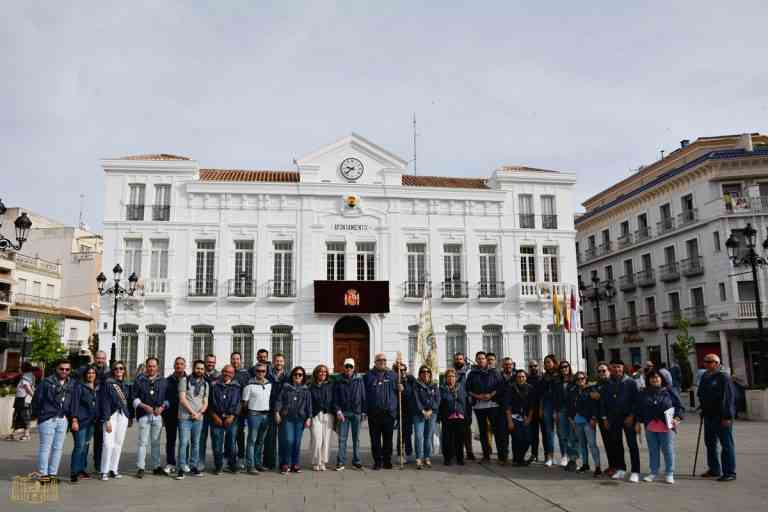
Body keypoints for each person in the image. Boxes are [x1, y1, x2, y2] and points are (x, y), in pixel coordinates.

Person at [30, 359, 76, 481]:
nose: (64, 371)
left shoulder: (71, 383)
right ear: (56, 369)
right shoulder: (47, 382)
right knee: (45, 447)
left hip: (63, 419)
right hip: (48, 418)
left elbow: (72, 402)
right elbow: (37, 400)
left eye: (67, 369)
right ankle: (43, 474)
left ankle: (52, 474)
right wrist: (40, 414)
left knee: (58, 448)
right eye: (62, 369)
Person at [635, 370, 684, 484]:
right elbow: (639, 409)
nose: (654, 379)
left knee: (668, 450)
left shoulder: (670, 391)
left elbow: (679, 407)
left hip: (666, 425)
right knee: (653, 450)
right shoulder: (643, 392)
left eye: (657, 377)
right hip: (650, 426)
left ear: (662, 379)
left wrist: (677, 418)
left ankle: (669, 473)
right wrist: (638, 422)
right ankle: (653, 472)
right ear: (648, 380)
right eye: (652, 378)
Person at [697, 354, 737, 482]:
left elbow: (728, 398)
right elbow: (701, 394)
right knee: (710, 443)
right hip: (708, 415)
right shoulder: (705, 376)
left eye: (710, 362)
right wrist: (702, 408)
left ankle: (729, 472)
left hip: (721, 417)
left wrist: (727, 416)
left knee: (726, 445)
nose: (706, 364)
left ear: (717, 363)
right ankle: (714, 469)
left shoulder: (723, 377)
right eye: (705, 361)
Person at [601, 359, 640, 483]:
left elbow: (636, 402)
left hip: (628, 418)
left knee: (632, 444)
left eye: (619, 367)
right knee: (617, 444)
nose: (617, 369)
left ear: (623, 368)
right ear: (611, 369)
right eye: (614, 367)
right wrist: (605, 418)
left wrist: (632, 416)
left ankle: (635, 471)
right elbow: (603, 402)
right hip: (613, 418)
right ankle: (621, 468)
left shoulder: (631, 382)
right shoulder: (608, 383)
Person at [132, 357, 169, 478]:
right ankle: (140, 467)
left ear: (157, 367)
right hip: (144, 415)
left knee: (156, 443)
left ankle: (156, 466)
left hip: (158, 416)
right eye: (149, 366)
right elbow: (134, 398)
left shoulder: (163, 381)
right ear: (146, 366)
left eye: (154, 366)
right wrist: (143, 406)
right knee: (142, 443)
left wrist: (162, 407)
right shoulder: (139, 380)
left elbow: (168, 399)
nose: (151, 368)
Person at [364, 353, 399, 470]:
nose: (382, 362)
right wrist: (365, 410)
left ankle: (387, 461)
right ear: (375, 362)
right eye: (379, 360)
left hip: (389, 412)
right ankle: (378, 461)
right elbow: (364, 394)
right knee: (375, 439)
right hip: (374, 413)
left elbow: (398, 390)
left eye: (384, 360)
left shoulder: (393, 375)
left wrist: (401, 387)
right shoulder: (368, 376)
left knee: (388, 439)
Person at [98, 361, 132, 481]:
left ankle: (113, 469)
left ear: (124, 370)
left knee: (118, 444)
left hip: (122, 416)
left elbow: (129, 402)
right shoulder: (108, 383)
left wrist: (129, 417)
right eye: (116, 368)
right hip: (111, 416)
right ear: (113, 370)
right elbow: (105, 402)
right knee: (108, 444)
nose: (119, 370)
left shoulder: (127, 384)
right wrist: (106, 419)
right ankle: (104, 471)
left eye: (121, 368)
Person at [176, 359, 209, 480]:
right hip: (185, 417)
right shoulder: (184, 380)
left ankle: (194, 466)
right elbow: (182, 399)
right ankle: (181, 468)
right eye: (197, 368)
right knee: (184, 443)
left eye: (201, 368)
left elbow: (205, 402)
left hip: (198, 418)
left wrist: (199, 413)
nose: (199, 370)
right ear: (193, 368)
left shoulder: (205, 384)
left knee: (196, 444)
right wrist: (193, 412)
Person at [275, 366, 312, 474]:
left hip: (300, 419)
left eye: (300, 375)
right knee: (289, 441)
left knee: (297, 442)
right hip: (287, 418)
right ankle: (285, 464)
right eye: (295, 374)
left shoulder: (306, 390)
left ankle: (295, 464)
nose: (297, 376)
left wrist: (309, 418)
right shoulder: (286, 388)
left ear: (303, 377)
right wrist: (277, 412)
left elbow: (309, 405)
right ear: (292, 376)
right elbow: (279, 400)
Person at [333, 358, 366, 471]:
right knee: (342, 439)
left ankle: (356, 461)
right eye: (346, 366)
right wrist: (338, 411)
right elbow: (335, 398)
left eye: (350, 366)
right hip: (343, 413)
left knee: (356, 439)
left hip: (356, 412)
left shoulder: (359, 380)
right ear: (343, 367)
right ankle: (341, 462)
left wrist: (364, 411)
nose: (348, 369)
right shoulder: (338, 380)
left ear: (354, 368)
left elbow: (363, 396)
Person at [209, 364, 241, 474]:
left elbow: (238, 404)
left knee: (231, 444)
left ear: (233, 374)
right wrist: (214, 416)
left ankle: (232, 464)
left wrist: (232, 416)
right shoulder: (214, 385)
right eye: (226, 371)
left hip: (231, 420)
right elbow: (210, 403)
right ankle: (218, 466)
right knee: (217, 444)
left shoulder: (237, 387)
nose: (227, 374)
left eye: (230, 372)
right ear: (222, 372)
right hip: (216, 419)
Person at [570, 371, 603, 477]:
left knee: (592, 444)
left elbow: (595, 405)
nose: (580, 381)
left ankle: (597, 467)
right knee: (582, 444)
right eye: (578, 379)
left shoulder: (591, 390)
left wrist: (594, 418)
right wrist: (573, 419)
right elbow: (571, 405)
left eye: (582, 378)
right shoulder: (574, 391)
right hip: (578, 421)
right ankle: (585, 464)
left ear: (586, 379)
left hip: (589, 421)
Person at [70, 365, 99, 483]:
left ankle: (82, 468)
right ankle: (74, 471)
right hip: (80, 421)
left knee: (86, 446)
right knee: (79, 446)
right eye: (89, 373)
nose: (91, 375)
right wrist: (74, 420)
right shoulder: (79, 387)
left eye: (93, 373)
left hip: (91, 422)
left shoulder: (97, 388)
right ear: (85, 375)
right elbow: (75, 404)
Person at [242, 362, 271, 474]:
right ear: (255, 372)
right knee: (252, 440)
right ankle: (250, 465)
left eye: (263, 371)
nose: (261, 373)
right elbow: (244, 402)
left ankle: (258, 463)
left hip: (266, 415)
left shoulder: (269, 384)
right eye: (258, 371)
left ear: (266, 372)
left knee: (260, 441)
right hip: (254, 415)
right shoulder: (249, 385)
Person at [553, 360, 580, 471]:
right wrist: (555, 412)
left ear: (569, 368)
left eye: (566, 366)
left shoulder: (574, 380)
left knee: (573, 436)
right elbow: (554, 398)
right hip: (561, 410)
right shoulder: (557, 381)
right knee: (563, 435)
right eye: (562, 367)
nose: (564, 369)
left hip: (572, 411)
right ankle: (566, 456)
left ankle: (573, 459)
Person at [411, 365, 439, 469]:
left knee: (428, 436)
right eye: (423, 372)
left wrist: (431, 411)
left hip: (432, 414)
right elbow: (416, 399)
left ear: (430, 374)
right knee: (419, 436)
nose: (425, 373)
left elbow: (437, 400)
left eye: (428, 372)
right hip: (419, 414)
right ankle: (419, 458)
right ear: (420, 374)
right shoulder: (416, 385)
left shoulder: (434, 386)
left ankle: (427, 457)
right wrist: (423, 411)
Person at [263, 353, 288, 470]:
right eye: (277, 361)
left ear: (284, 362)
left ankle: (284, 462)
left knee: (284, 438)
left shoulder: (288, 376)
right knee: (269, 438)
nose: (279, 363)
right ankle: (269, 463)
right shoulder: (268, 375)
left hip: (283, 410)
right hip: (269, 409)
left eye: (281, 361)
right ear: (273, 362)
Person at [503, 369, 533, 466]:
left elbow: (532, 406)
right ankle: (517, 460)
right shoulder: (511, 388)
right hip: (514, 417)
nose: (521, 378)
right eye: (519, 377)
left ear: (526, 377)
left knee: (528, 439)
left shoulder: (530, 388)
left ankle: (520, 458)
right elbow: (507, 406)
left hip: (525, 417)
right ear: (516, 378)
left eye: (523, 376)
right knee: (517, 439)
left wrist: (529, 418)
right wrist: (510, 421)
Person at [438, 368, 467, 465]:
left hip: (459, 416)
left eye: (453, 376)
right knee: (447, 439)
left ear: (456, 378)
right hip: (447, 416)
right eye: (449, 376)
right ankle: (447, 458)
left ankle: (460, 458)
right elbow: (442, 402)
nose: (451, 378)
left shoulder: (460, 388)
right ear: (445, 378)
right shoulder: (442, 389)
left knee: (459, 439)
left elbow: (463, 402)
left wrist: (463, 413)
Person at [164, 357, 187, 474]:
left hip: (185, 415)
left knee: (185, 441)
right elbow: (164, 397)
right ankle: (170, 462)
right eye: (177, 364)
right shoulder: (167, 381)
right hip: (171, 415)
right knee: (171, 440)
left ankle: (184, 462)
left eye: (181, 364)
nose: (179, 366)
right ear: (174, 366)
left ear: (185, 366)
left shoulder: (189, 380)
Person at [309, 364, 334, 471]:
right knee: (316, 439)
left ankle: (323, 461)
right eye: (320, 371)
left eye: (324, 371)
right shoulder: (310, 386)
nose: (323, 373)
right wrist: (309, 416)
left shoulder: (330, 385)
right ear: (316, 373)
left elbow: (334, 400)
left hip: (328, 414)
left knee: (326, 440)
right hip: (315, 415)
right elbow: (308, 402)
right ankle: (315, 461)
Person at [452, 352, 475, 460]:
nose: (458, 361)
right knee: (455, 429)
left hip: (466, 405)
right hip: (453, 405)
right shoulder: (450, 372)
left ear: (464, 361)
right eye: (457, 359)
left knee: (466, 428)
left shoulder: (468, 373)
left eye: (460, 359)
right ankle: (457, 451)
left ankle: (469, 451)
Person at [199, 353, 220, 471]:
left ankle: (218, 464)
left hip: (215, 412)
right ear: (205, 362)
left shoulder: (219, 376)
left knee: (216, 439)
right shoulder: (199, 375)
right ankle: (200, 463)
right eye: (208, 362)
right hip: (201, 411)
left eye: (212, 362)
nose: (210, 364)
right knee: (201, 439)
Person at [591, 361, 612, 474]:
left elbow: (611, 399)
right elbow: (595, 402)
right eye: (599, 371)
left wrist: (600, 396)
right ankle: (611, 465)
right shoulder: (597, 385)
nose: (601, 373)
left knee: (614, 443)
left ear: (608, 371)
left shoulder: (612, 383)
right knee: (607, 442)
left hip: (610, 418)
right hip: (600, 417)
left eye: (604, 370)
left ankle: (617, 466)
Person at [231, 351, 250, 469]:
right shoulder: (227, 372)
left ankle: (241, 457)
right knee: (230, 434)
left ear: (240, 360)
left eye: (237, 359)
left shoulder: (245, 374)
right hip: (228, 409)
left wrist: (244, 406)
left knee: (239, 434)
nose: (235, 361)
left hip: (241, 409)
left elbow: (247, 392)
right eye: (233, 359)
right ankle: (229, 457)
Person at [539, 354, 559, 467]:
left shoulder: (559, 376)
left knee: (562, 433)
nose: (546, 364)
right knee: (549, 433)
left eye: (548, 362)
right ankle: (550, 457)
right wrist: (541, 408)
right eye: (545, 362)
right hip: (546, 405)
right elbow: (541, 395)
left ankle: (565, 456)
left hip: (559, 406)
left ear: (554, 363)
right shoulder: (543, 377)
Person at [395, 360, 415, 462]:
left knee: (409, 432)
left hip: (410, 409)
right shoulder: (395, 380)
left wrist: (404, 387)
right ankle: (400, 453)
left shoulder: (410, 379)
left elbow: (413, 391)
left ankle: (408, 452)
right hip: (400, 410)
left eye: (404, 370)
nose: (402, 372)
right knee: (401, 432)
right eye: (400, 370)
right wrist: (397, 388)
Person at [9, 361, 35, 441]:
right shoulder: (29, 375)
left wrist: (34, 396)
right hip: (22, 398)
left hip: (23, 399)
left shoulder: (26, 376)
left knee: (24, 416)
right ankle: (13, 434)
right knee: (18, 416)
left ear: (24, 368)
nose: (20, 368)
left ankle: (26, 434)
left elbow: (27, 387)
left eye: (21, 367)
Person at [526, 360, 542, 463]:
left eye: (535, 366)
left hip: (543, 410)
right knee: (533, 435)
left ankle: (548, 456)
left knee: (546, 435)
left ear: (538, 367)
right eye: (531, 366)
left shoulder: (542, 378)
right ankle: (534, 454)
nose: (533, 368)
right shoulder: (526, 379)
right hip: (531, 411)